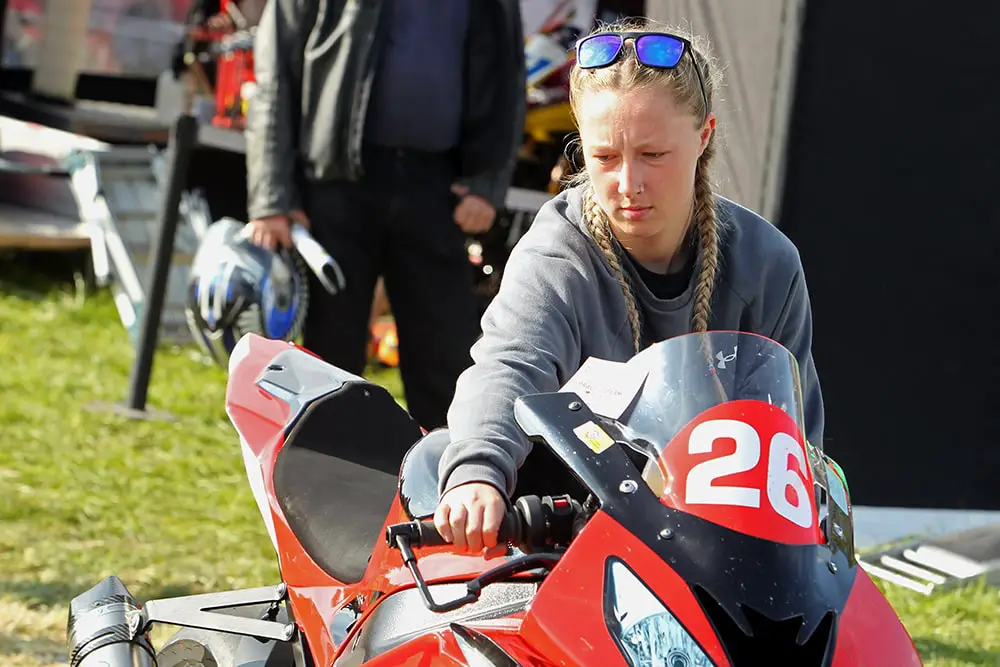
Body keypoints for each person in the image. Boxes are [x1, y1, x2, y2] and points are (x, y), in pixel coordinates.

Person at [432, 18, 825, 552]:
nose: (629, 184)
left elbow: (793, 436)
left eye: (653, 155)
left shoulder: (768, 263)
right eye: (604, 158)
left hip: (722, 548)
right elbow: (508, 365)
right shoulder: (556, 253)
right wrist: (478, 469)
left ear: (704, 135)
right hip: (569, 543)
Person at [243, 0, 527, 430]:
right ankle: (322, 485)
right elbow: (275, 74)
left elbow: (507, 78)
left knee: (447, 364)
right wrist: (273, 198)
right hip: (335, 184)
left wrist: (487, 185)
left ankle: (447, 487)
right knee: (327, 366)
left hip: (438, 187)